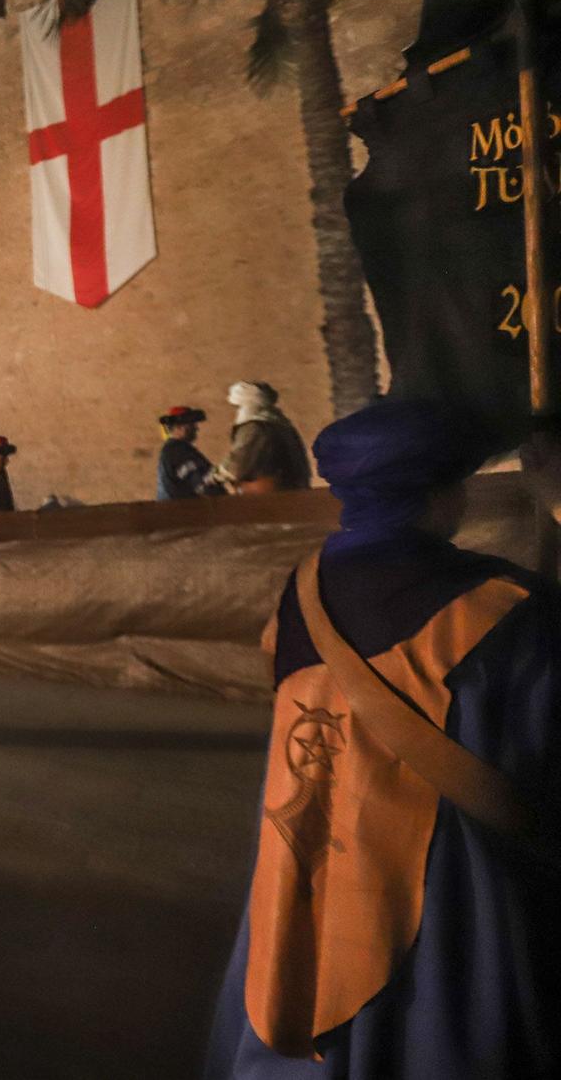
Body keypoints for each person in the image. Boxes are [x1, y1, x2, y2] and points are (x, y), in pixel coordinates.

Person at [203, 400, 561, 1077]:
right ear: (442, 493)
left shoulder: (299, 590)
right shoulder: (505, 611)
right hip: (449, 913)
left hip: (305, 875)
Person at [217, 381, 313, 494]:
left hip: (269, 496)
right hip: (292, 492)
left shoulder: (256, 427)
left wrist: (216, 476)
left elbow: (239, 463)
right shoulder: (281, 425)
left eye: (238, 407)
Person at [156, 406, 222, 500]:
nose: (196, 429)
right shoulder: (179, 451)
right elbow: (201, 485)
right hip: (182, 512)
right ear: (179, 427)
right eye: (192, 425)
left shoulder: (172, 450)